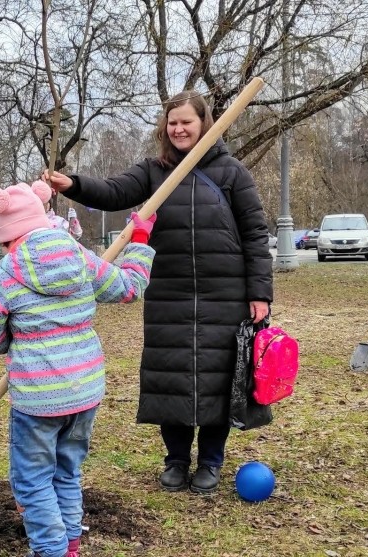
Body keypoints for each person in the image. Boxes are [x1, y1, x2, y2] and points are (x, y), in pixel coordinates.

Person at [43, 90, 273, 495]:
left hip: (227, 293)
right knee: (172, 376)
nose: (180, 128)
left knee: (220, 380)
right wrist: (72, 184)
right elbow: (113, 192)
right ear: (165, 128)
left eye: (187, 121)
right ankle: (176, 460)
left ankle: (211, 462)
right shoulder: (154, 171)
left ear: (204, 122)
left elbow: (255, 234)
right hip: (169, 292)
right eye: (173, 122)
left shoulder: (231, 173)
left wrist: (259, 293)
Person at [0, 181, 154, 557]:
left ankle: (51, 550)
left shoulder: (7, 272)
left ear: (8, 237)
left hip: (38, 399)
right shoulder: (79, 255)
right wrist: (138, 240)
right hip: (85, 390)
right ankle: (69, 546)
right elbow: (129, 287)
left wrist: (16, 339)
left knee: (33, 482)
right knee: (67, 472)